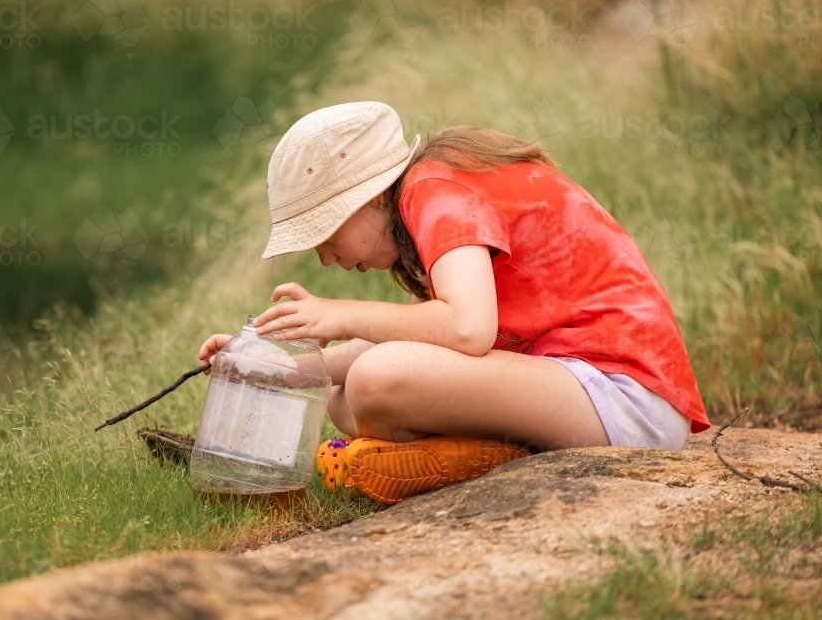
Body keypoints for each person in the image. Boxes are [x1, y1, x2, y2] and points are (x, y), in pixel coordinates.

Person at [197, 101, 710, 504]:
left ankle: (485, 455)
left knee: (377, 378)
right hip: (567, 381)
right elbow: (432, 340)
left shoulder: (438, 191)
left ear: (373, 196)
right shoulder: (432, 194)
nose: (324, 256)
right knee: (343, 399)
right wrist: (281, 368)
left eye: (325, 232)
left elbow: (467, 330)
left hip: (624, 395)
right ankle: (487, 453)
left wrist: (342, 313)